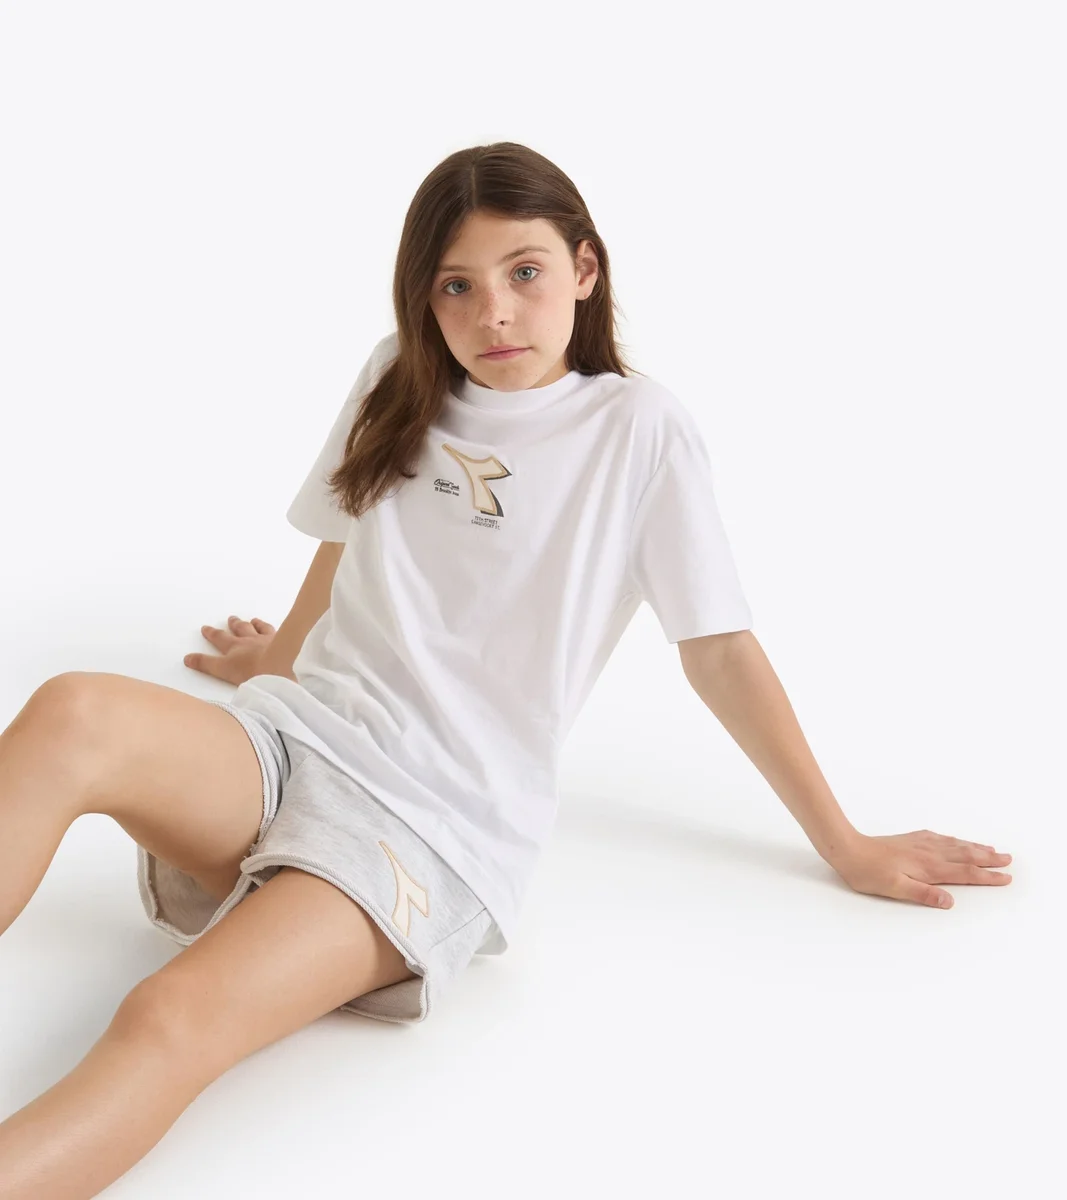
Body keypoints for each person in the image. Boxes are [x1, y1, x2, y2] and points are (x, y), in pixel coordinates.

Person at [0, 140, 1013, 1196]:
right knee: (75, 710)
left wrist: (843, 842)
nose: (494, 313)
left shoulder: (637, 431)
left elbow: (717, 648)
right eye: (457, 286)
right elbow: (346, 537)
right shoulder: (397, 375)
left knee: (169, 1013)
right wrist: (281, 656)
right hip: (295, 741)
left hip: (431, 826)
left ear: (584, 269)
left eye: (524, 272)